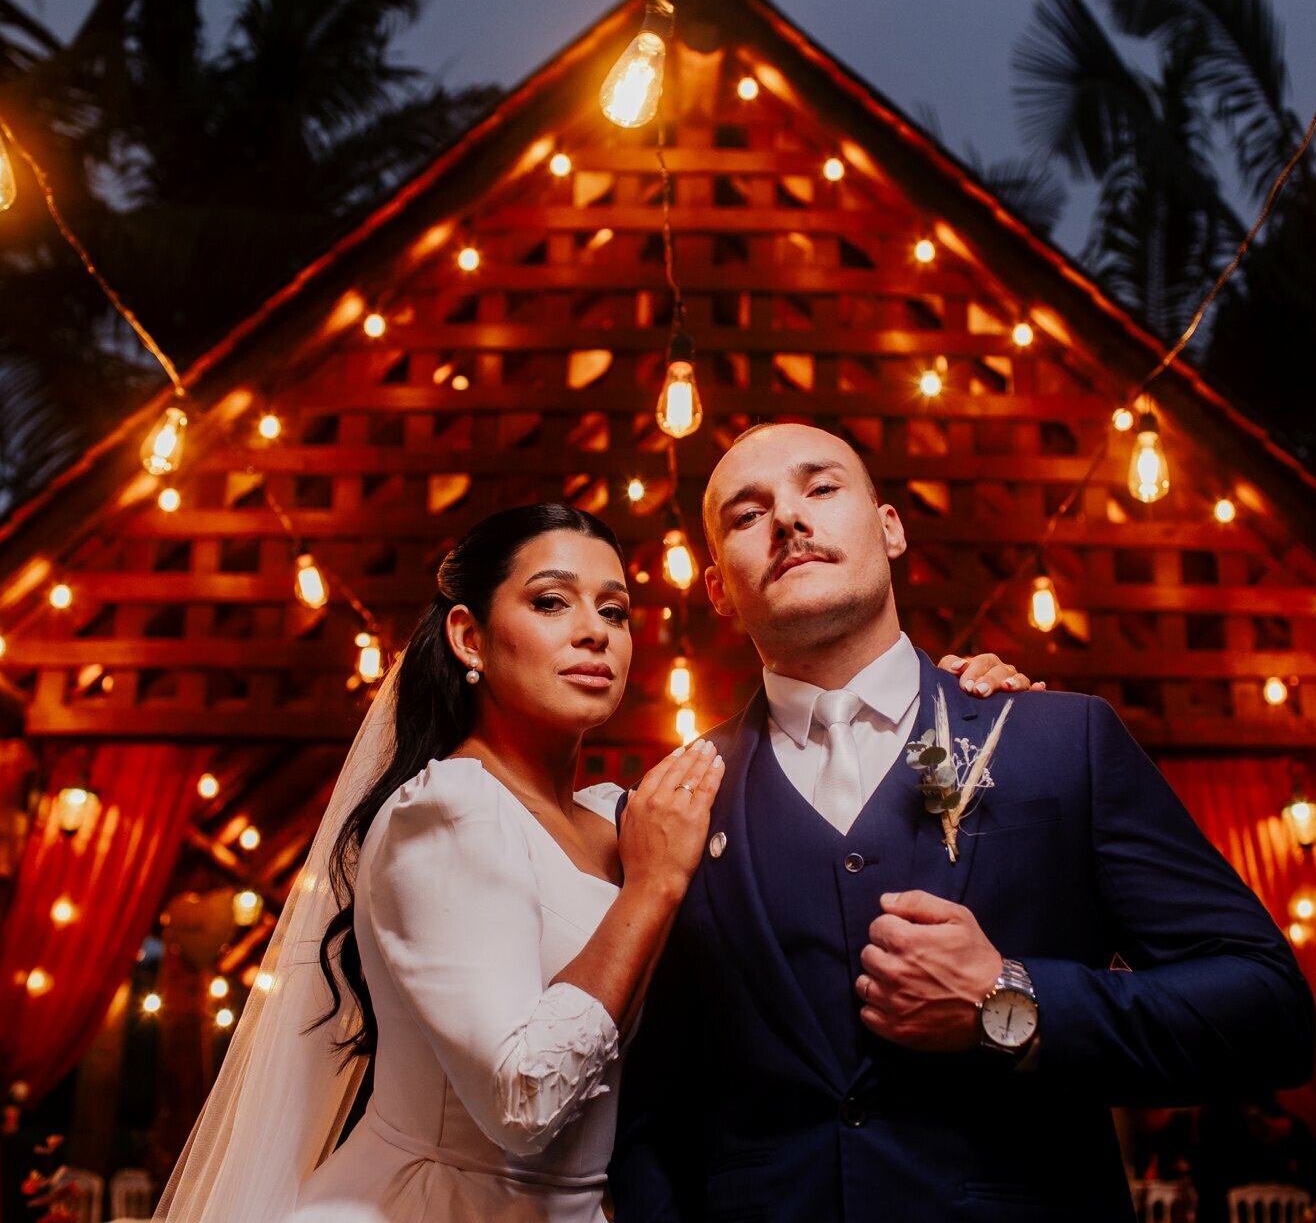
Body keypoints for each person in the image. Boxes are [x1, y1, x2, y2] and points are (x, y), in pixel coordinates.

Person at [152, 502, 1030, 1223]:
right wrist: (651, 888)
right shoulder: (445, 811)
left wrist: (950, 705)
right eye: (551, 603)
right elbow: (523, 1099)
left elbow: (823, 788)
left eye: (614, 612)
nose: (594, 633)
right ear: (468, 638)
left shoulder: (622, 816)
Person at [609, 424, 1316, 1222]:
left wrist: (1011, 1003)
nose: (788, 518)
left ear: (890, 528)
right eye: (747, 514)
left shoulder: (1063, 742)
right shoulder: (670, 804)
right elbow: (649, 1120)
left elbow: (1270, 1013)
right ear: (717, 588)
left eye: (821, 487)